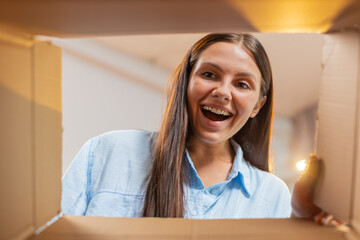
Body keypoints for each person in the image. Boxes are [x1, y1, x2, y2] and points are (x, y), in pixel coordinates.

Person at [61, 33, 320, 219]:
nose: (223, 92)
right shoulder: (108, 152)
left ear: (257, 106)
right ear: (185, 83)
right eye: (209, 74)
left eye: (242, 84)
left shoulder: (272, 195)